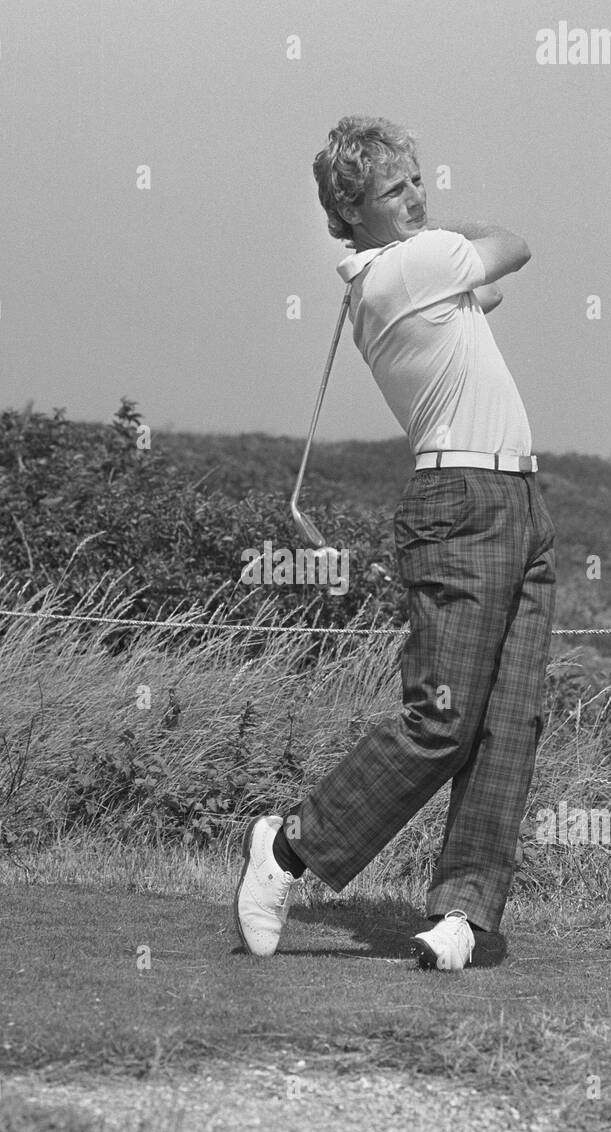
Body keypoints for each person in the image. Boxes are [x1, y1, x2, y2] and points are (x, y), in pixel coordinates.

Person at [235, 115, 556, 970]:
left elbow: (486, 293)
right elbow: (514, 248)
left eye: (417, 178)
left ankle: (463, 916)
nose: (416, 197)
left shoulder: (406, 271)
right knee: (443, 721)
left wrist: (446, 245)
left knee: (508, 722)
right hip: (464, 501)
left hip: (518, 496)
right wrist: (451, 233)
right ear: (352, 210)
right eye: (393, 190)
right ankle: (286, 848)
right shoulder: (411, 264)